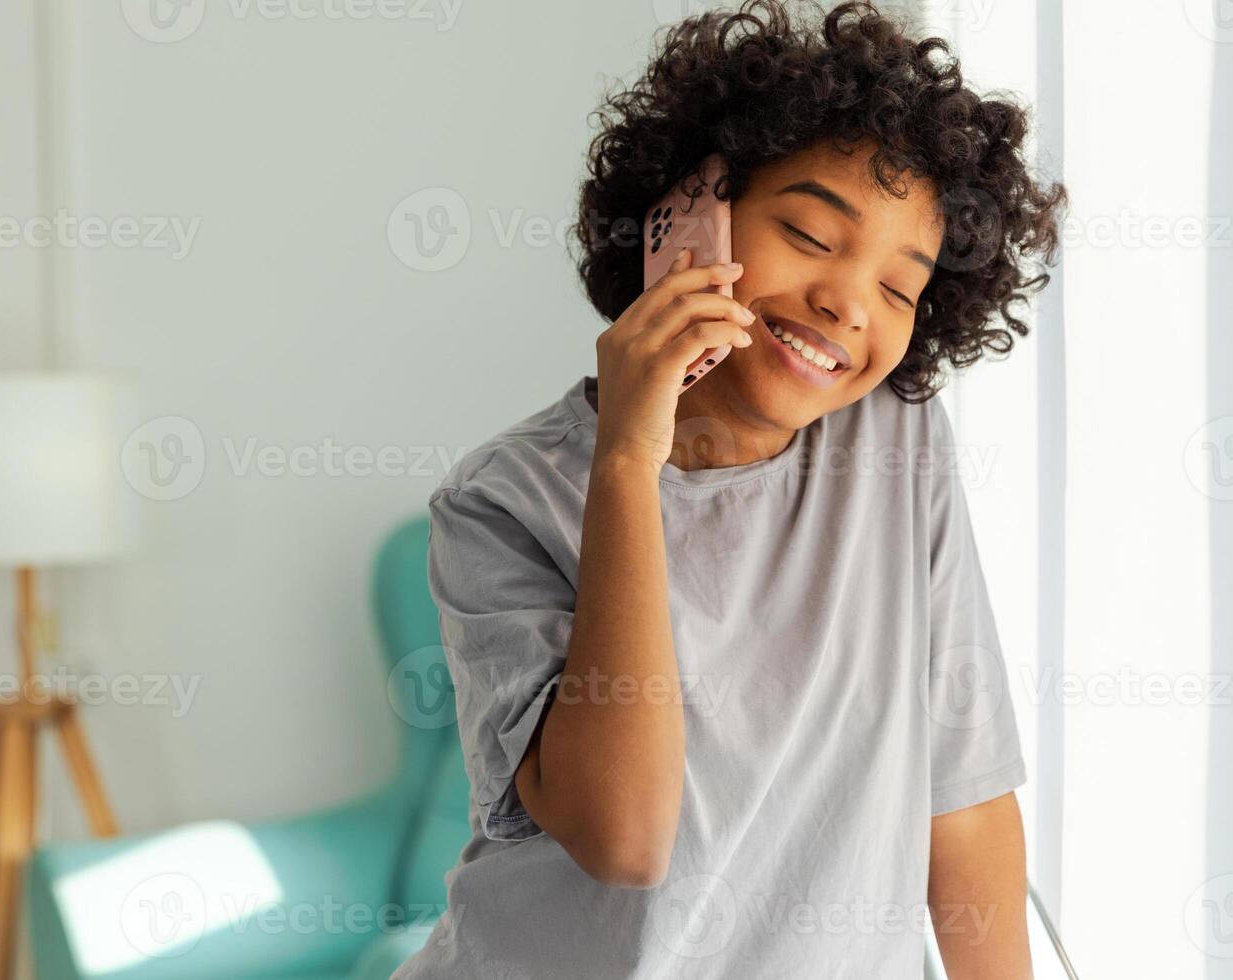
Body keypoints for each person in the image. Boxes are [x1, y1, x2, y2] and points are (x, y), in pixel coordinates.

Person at [394, 2, 1067, 976]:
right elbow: (624, 835)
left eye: (899, 286)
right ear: (684, 219)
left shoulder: (895, 444)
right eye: (808, 231)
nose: (848, 301)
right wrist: (629, 459)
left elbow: (960, 801)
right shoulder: (505, 499)